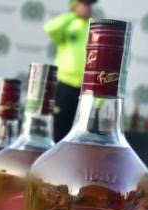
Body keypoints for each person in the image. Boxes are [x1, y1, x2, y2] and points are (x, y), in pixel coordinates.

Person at [44, 0, 95, 141]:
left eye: (90, 5)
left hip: (87, 88)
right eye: (84, 4)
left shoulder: (94, 27)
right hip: (65, 85)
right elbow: (50, 28)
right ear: (75, 5)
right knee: (58, 127)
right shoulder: (68, 24)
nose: (88, 8)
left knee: (83, 132)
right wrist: (73, 15)